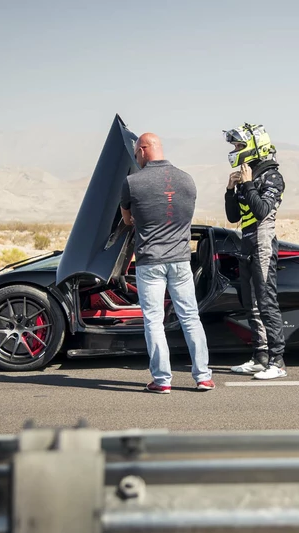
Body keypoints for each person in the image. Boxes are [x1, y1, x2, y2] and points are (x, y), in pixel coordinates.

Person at [120, 133, 214, 394]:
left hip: (150, 261)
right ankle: (203, 377)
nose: (136, 158)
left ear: (143, 149)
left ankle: (162, 381)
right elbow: (183, 216)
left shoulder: (132, 182)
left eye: (136, 153)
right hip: (181, 259)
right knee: (190, 318)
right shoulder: (187, 180)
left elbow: (128, 221)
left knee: (153, 321)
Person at [223, 123, 287, 380]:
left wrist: (248, 184)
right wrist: (230, 189)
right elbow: (232, 217)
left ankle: (278, 361)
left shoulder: (272, 177)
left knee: (266, 300)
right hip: (246, 241)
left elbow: (261, 211)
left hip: (262, 241)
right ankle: (260, 357)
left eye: (239, 146)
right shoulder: (245, 177)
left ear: (253, 147)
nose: (236, 150)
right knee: (251, 303)